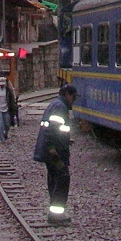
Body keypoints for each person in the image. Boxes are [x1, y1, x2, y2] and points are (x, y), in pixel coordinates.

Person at [33, 83, 78, 226]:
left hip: (52, 150)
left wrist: (65, 139)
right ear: (68, 95)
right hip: (54, 152)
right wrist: (54, 150)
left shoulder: (55, 104)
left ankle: (54, 214)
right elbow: (52, 130)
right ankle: (56, 215)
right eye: (74, 97)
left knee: (54, 179)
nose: (74, 101)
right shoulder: (60, 107)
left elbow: (56, 129)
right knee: (62, 179)